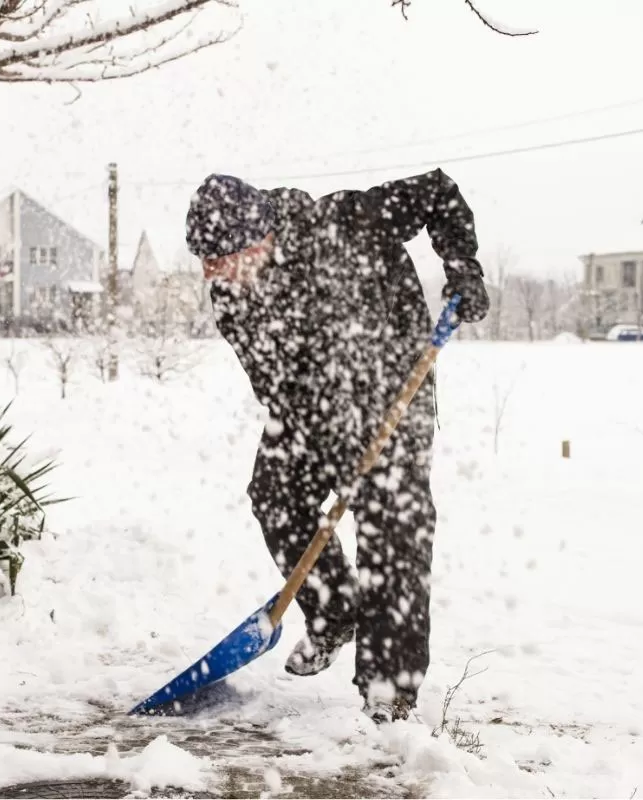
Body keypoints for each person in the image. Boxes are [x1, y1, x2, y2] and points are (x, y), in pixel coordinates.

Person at [184, 169, 489, 724]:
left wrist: (463, 268)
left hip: (395, 390)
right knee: (275, 492)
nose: (210, 272)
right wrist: (328, 442)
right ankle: (333, 610)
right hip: (313, 409)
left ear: (258, 239)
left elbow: (439, 193)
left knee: (392, 526)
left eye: (218, 257)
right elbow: (273, 385)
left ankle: (389, 693)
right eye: (203, 259)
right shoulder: (231, 298)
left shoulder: (344, 222)